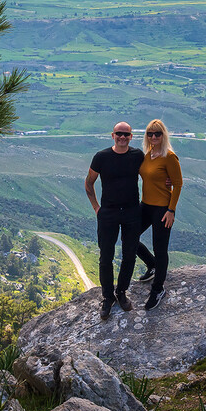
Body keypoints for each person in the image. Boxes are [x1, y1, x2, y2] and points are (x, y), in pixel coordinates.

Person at [85, 121, 144, 320]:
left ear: (131, 137)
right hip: (108, 212)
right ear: (112, 135)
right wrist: (96, 208)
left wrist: (169, 179)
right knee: (106, 257)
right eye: (119, 133)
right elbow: (89, 182)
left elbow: (152, 173)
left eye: (126, 134)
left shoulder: (137, 156)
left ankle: (121, 292)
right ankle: (107, 297)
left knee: (129, 255)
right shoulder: (101, 157)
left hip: (131, 212)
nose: (122, 137)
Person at [135, 119, 183, 311]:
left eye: (157, 134)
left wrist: (171, 210)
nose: (153, 137)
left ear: (164, 135)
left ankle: (158, 289)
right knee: (130, 237)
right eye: (149, 134)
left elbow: (178, 184)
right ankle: (152, 264)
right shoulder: (148, 155)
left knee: (160, 247)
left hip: (162, 208)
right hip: (145, 205)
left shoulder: (169, 157)